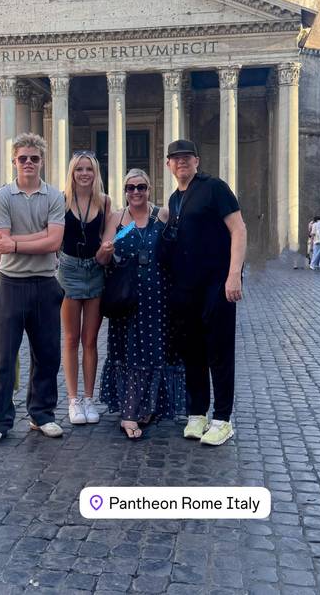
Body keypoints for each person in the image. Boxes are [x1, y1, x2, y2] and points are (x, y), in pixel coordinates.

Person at [0, 132, 65, 447]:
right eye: (23, 158)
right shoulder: (3, 196)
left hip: (45, 283)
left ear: (42, 161)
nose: (28, 163)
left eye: (34, 158)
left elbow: (54, 242)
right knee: (5, 358)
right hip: (11, 285)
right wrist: (36, 239)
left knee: (48, 356)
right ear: (14, 162)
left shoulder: (54, 196)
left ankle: (41, 414)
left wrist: (16, 242)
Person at [164, 139, 247, 446]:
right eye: (176, 158)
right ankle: (198, 413)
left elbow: (238, 229)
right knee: (193, 353)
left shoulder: (215, 187)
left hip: (217, 285)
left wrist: (234, 274)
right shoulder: (174, 200)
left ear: (197, 161)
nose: (181, 161)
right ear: (168, 164)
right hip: (186, 289)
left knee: (220, 353)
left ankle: (223, 419)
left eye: (187, 156)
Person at [97, 169, 186, 440]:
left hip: (159, 298)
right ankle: (128, 414)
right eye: (130, 188)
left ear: (149, 189)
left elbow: (179, 246)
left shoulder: (162, 215)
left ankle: (146, 407)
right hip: (128, 299)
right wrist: (106, 251)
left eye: (141, 187)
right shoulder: (116, 219)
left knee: (155, 354)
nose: (136, 192)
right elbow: (101, 258)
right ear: (124, 191)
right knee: (132, 355)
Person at [58, 151, 111, 425]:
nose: (84, 173)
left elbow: (108, 236)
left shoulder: (104, 202)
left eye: (88, 168)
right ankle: (72, 399)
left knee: (90, 340)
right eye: (79, 168)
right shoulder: (61, 200)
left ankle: (89, 398)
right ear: (72, 172)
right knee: (70, 338)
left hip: (95, 270)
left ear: (95, 172)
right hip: (68, 269)